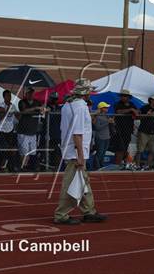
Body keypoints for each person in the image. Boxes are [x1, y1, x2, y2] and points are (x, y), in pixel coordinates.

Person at [54, 78, 107, 225]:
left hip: (71, 148)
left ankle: (89, 211)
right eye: (89, 90)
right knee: (71, 183)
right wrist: (81, 156)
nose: (91, 93)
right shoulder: (80, 107)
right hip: (75, 151)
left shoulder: (68, 105)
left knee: (83, 181)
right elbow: (77, 133)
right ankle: (61, 214)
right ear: (85, 92)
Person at [16, 87, 44, 171]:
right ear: (26, 94)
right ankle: (23, 166)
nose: (31, 95)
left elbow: (43, 108)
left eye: (32, 93)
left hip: (33, 131)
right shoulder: (22, 102)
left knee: (32, 151)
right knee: (24, 151)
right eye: (29, 93)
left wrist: (43, 109)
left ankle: (31, 166)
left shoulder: (37, 102)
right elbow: (23, 111)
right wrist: (35, 108)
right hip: (23, 131)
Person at [136, 94, 154, 169]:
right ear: (152, 100)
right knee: (140, 150)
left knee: (153, 150)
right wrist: (147, 115)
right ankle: (137, 165)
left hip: (152, 132)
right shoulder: (145, 107)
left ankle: (147, 165)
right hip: (144, 131)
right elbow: (137, 116)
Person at [0, 90, 19, 172]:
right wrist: (6, 110)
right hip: (2, 130)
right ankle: (1, 166)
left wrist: (18, 113)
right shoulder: (0, 105)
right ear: (4, 97)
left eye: (10, 96)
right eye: (7, 96)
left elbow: (17, 117)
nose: (9, 98)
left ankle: (10, 166)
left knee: (12, 149)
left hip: (10, 130)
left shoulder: (13, 106)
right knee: (4, 149)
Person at [113, 90, 138, 165]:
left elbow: (137, 112)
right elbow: (118, 112)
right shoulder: (118, 104)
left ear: (129, 97)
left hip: (129, 129)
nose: (123, 97)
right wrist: (130, 110)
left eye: (125, 96)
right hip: (119, 129)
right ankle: (117, 164)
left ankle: (123, 163)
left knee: (125, 147)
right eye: (122, 96)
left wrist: (135, 111)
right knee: (119, 148)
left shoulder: (132, 104)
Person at [93, 102, 113, 170]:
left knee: (103, 152)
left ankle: (101, 166)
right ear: (101, 108)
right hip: (100, 137)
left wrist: (111, 122)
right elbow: (97, 127)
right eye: (105, 107)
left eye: (106, 107)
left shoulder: (106, 115)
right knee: (100, 152)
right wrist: (108, 122)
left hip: (107, 137)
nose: (107, 108)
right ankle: (97, 166)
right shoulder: (98, 116)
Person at [45, 92, 62, 168]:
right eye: (53, 99)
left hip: (57, 132)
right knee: (48, 148)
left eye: (56, 99)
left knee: (57, 149)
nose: (55, 101)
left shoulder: (59, 108)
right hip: (48, 131)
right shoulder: (46, 107)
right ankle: (47, 163)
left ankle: (56, 165)